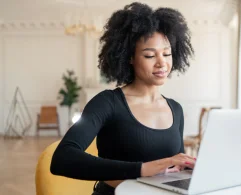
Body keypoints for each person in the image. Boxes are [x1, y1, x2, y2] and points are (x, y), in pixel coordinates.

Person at [50, 2, 196, 195]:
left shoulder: (175, 109)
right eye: (150, 55)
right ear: (130, 58)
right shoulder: (107, 103)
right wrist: (142, 169)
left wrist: (189, 166)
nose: (162, 62)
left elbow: (175, 166)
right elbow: (63, 159)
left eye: (167, 53)